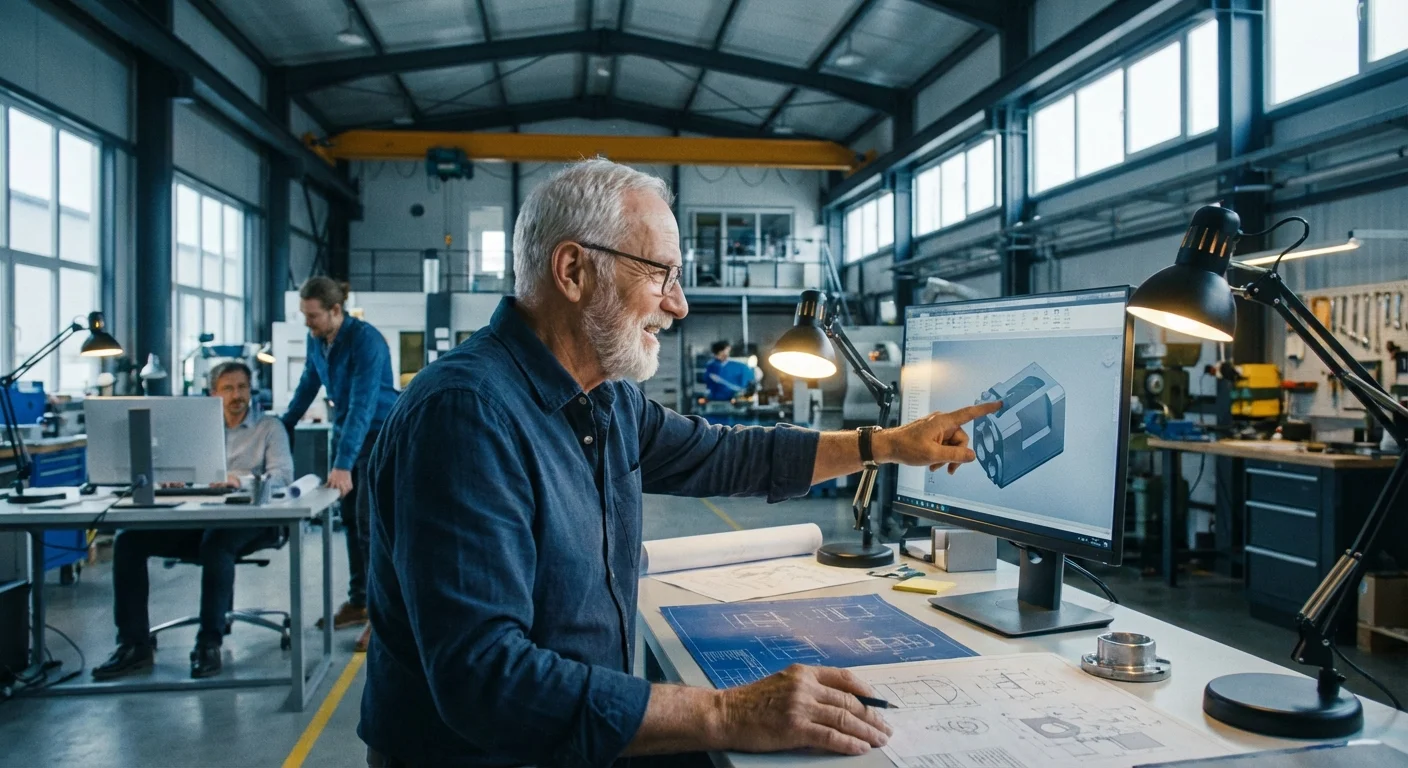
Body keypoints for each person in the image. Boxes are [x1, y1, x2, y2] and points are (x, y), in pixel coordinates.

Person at [358, 159, 999, 767]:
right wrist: (724, 712)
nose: (679, 305)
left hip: (577, 742)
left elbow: (725, 454)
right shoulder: (467, 415)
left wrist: (884, 444)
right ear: (574, 271)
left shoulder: (605, 400)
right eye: (660, 273)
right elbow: (486, 682)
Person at [93, 361, 295, 680]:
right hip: (199, 515)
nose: (236, 395)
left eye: (242, 387)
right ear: (213, 393)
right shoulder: (196, 428)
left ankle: (208, 644)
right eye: (228, 388)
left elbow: (282, 477)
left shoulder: (269, 427)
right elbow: (172, 470)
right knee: (128, 541)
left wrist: (237, 480)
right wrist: (173, 480)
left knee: (216, 544)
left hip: (252, 519)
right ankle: (133, 645)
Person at [281, 277, 398, 653]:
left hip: (379, 437)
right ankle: (360, 600)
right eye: (304, 316)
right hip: (347, 435)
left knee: (371, 526)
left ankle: (383, 619)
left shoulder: (366, 341)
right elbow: (307, 386)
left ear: (335, 311)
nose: (307, 323)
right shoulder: (318, 341)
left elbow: (363, 405)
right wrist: (280, 425)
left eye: (312, 316)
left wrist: (344, 464)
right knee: (348, 521)